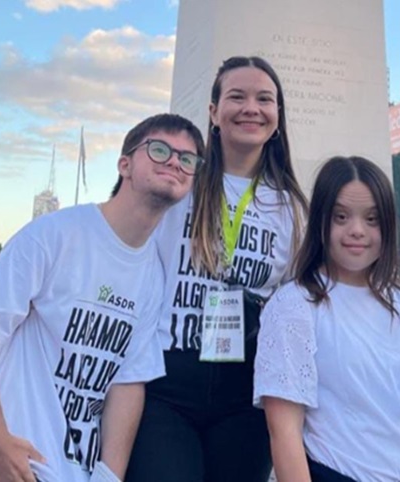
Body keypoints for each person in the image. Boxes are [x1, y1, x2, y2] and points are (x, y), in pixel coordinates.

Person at [0, 114, 204, 482]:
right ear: (125, 164)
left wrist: (109, 475)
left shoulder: (153, 274)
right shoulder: (55, 234)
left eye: (187, 158)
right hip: (16, 468)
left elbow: (128, 381)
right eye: (160, 150)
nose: (175, 162)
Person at [125, 56, 308, 482]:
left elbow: (302, 307)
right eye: (237, 97)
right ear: (213, 112)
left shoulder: (292, 208)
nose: (251, 108)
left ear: (277, 116)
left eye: (264, 99)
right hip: (165, 381)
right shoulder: (178, 180)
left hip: (246, 392)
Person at [253, 156, 400, 482]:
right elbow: (284, 433)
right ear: (321, 222)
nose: (357, 230)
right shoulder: (294, 306)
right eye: (341, 217)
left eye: (372, 219)